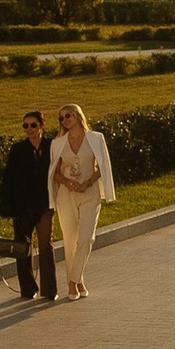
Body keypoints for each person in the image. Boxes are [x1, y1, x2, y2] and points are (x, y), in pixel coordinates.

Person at [47, 102, 113, 299]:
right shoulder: (58, 143)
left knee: (86, 237)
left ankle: (72, 280)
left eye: (68, 115)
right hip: (66, 195)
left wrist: (88, 182)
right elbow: (54, 173)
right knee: (70, 240)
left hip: (89, 193)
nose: (65, 120)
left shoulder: (96, 138)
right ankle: (77, 283)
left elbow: (104, 167)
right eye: (61, 118)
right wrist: (67, 182)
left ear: (78, 115)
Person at [0, 110, 56, 301]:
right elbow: (9, 179)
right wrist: (10, 207)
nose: (29, 129)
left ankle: (49, 290)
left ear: (41, 125)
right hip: (23, 207)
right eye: (25, 125)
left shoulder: (51, 146)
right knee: (23, 248)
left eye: (33, 125)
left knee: (46, 246)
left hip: (46, 204)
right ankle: (28, 289)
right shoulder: (17, 149)